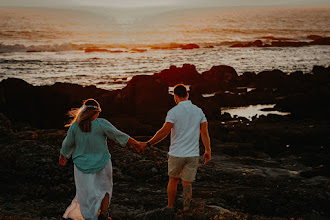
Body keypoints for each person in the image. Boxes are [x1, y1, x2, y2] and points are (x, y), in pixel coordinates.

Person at [59, 98, 140, 220]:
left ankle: (89, 215)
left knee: (85, 192)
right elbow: (118, 135)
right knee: (105, 189)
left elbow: (67, 144)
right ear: (96, 112)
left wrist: (63, 155)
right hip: (102, 163)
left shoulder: (75, 126)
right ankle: (103, 214)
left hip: (81, 166)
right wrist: (136, 143)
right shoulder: (101, 123)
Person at [141, 84, 211, 211]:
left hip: (177, 153)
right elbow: (204, 132)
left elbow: (164, 131)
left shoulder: (173, 112)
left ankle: (170, 207)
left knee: (173, 180)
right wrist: (207, 150)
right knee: (187, 183)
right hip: (192, 154)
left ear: (175, 96)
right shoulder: (198, 111)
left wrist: (148, 144)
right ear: (187, 95)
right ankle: (186, 209)